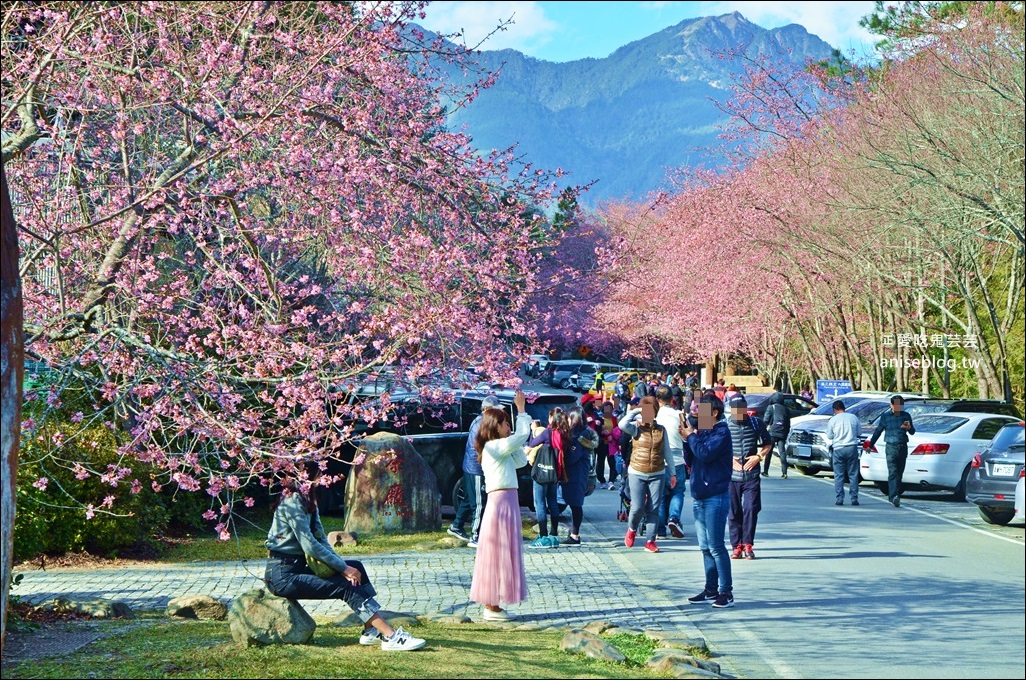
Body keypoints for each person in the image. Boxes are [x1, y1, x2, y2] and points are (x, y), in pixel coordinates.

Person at [264, 467, 426, 651]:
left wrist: (343, 566)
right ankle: (391, 636)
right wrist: (343, 570)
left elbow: (321, 539)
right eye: (319, 474)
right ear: (306, 475)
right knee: (347, 585)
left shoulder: (308, 499)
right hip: (282, 576)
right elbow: (308, 544)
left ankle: (370, 630)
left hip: (299, 568)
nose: (322, 478)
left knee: (356, 567)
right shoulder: (292, 502)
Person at [470, 389, 533, 620]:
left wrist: (515, 439)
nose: (509, 428)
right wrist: (522, 411)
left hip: (507, 500)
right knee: (498, 551)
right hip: (500, 501)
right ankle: (491, 605)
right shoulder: (492, 447)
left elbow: (521, 459)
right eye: (506, 424)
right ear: (495, 426)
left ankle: (494, 604)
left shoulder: (499, 448)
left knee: (504, 550)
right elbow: (520, 437)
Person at [680, 393, 735, 608]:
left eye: (702, 410)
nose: (697, 414)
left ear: (714, 412)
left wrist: (691, 437)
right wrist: (687, 439)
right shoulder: (702, 433)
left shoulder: (721, 432)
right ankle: (711, 588)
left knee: (716, 546)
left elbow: (705, 454)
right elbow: (692, 459)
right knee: (704, 546)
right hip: (699, 496)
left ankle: (726, 592)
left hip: (716, 496)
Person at [618, 395, 676, 553]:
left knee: (654, 509)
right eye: (646, 411)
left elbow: (667, 452)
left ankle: (650, 541)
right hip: (637, 472)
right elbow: (621, 424)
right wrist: (636, 410)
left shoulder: (661, 430)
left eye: (652, 410)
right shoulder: (635, 428)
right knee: (637, 507)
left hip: (657, 473)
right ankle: (632, 529)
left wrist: (673, 473)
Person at [448, 395, 501, 547]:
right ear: (486, 409)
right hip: (476, 467)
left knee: (468, 499)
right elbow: (481, 447)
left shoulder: (480, 421)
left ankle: (456, 526)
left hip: (470, 466)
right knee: (479, 502)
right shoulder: (482, 423)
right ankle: (475, 536)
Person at [725, 395, 771, 560]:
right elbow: (716, 447)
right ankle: (736, 545)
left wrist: (758, 457)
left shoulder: (756, 423)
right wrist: (729, 459)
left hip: (752, 475)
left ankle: (748, 544)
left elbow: (768, 444)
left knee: (751, 509)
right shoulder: (724, 425)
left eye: (742, 410)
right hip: (731, 476)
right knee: (733, 512)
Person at [525, 408, 565, 547]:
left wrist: (533, 430)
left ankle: (543, 536)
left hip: (541, 472)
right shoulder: (563, 434)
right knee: (553, 502)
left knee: (540, 504)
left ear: (550, 418)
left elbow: (531, 445)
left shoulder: (547, 433)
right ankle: (554, 536)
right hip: (555, 473)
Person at [868, 395, 916, 507]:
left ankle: (895, 494)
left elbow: (913, 431)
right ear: (891, 405)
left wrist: (909, 428)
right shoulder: (885, 417)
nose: (899, 407)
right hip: (891, 447)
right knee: (893, 472)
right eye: (896, 405)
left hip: (903, 446)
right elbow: (878, 431)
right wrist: (871, 445)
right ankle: (893, 496)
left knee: (899, 473)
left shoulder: (906, 415)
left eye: (901, 405)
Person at [560, 405, 597, 545]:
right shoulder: (579, 433)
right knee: (573, 503)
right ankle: (574, 533)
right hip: (574, 473)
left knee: (576, 504)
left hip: (577, 474)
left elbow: (573, 457)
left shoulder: (581, 436)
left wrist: (561, 460)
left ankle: (575, 535)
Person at [655, 386, 687, 539]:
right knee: (678, 492)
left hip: (659, 460)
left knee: (660, 496)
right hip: (677, 459)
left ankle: (660, 529)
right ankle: (674, 518)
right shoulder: (679, 415)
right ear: (672, 399)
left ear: (657, 399)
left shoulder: (654, 415)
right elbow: (687, 436)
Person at [824, 400, 862, 506]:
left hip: (838, 448)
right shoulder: (853, 417)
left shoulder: (833, 420)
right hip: (851, 447)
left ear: (834, 410)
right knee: (853, 474)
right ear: (844, 408)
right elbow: (859, 432)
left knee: (839, 475)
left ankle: (839, 498)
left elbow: (830, 436)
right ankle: (854, 498)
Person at [761, 392, 792, 479]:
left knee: (769, 452)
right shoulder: (786, 409)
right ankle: (784, 472)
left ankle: (766, 471)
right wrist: (786, 433)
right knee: (782, 452)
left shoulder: (771, 407)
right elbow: (788, 423)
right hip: (782, 432)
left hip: (772, 432)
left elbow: (766, 420)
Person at [599, 400, 621, 490]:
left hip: (612, 444)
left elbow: (618, 431)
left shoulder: (615, 419)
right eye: (606, 410)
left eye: (610, 409)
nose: (608, 412)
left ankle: (611, 481)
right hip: (601, 444)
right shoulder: (600, 419)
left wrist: (612, 435)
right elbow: (595, 431)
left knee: (612, 463)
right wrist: (602, 432)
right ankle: (602, 480)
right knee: (600, 463)